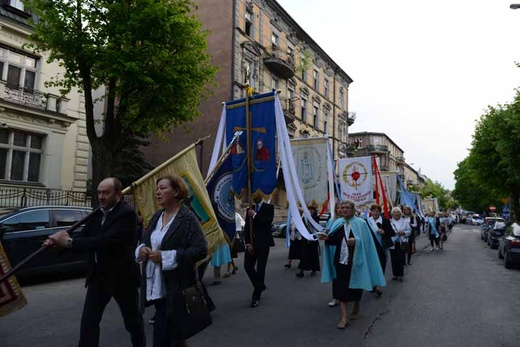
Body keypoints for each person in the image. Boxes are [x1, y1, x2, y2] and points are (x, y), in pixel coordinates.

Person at [44, 177, 146, 347]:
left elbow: (104, 241)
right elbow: (84, 237)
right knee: (89, 323)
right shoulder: (96, 212)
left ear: (118, 194)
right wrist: (58, 245)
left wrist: (68, 242)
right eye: (99, 192)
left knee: (132, 321)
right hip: (98, 277)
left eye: (106, 192)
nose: (101, 196)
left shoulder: (126, 214)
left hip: (122, 278)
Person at [136, 174, 207, 347]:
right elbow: (146, 241)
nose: (158, 192)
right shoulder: (157, 216)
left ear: (176, 191)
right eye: (157, 189)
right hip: (156, 286)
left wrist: (167, 256)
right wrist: (142, 250)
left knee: (162, 338)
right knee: (175, 338)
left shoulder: (187, 218)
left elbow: (201, 249)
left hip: (176, 289)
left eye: (163, 188)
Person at [319, 200, 386, 329]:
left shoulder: (361, 223)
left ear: (353, 209)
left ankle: (356, 304)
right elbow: (334, 241)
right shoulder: (338, 223)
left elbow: (367, 243)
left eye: (347, 207)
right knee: (341, 288)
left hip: (356, 262)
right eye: (342, 207)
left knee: (356, 286)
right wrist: (326, 238)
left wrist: (357, 241)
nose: (344, 210)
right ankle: (344, 317)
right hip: (341, 261)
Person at [244, 193, 275, 308]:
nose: (255, 196)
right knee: (247, 266)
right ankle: (260, 285)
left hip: (263, 244)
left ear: (261, 195)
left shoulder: (269, 207)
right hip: (252, 244)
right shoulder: (249, 209)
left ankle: (256, 296)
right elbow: (247, 227)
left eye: (257, 194)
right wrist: (247, 243)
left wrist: (255, 215)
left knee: (260, 269)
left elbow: (267, 222)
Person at [365, 203, 395, 297]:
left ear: (380, 212)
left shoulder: (385, 221)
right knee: (371, 266)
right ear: (371, 212)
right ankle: (373, 284)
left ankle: (378, 285)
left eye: (377, 211)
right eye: (373, 211)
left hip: (381, 247)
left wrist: (384, 232)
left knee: (381, 265)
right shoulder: (366, 221)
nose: (375, 213)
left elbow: (392, 232)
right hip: (370, 247)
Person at [296, 206, 320, 278]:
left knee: (313, 254)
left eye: (312, 210)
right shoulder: (304, 218)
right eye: (309, 210)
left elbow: (315, 226)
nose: (310, 211)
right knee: (304, 254)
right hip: (305, 239)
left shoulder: (316, 218)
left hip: (313, 239)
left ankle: (314, 269)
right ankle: (301, 270)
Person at [389, 207, 411, 281]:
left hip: (401, 243)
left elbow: (409, 231)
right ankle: (395, 274)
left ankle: (400, 274)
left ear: (400, 213)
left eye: (398, 212)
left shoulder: (405, 221)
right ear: (392, 214)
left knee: (400, 259)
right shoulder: (390, 222)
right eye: (394, 212)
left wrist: (403, 233)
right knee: (393, 259)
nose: (396, 214)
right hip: (392, 243)